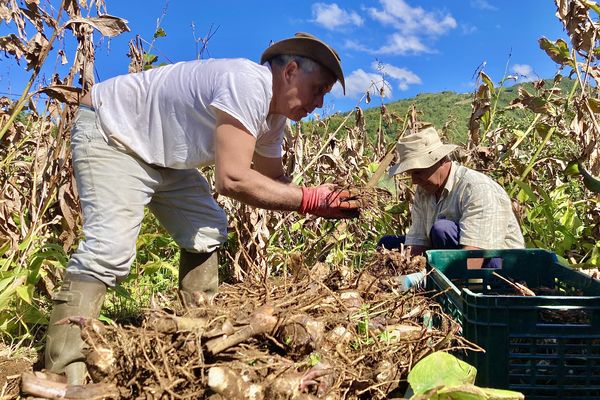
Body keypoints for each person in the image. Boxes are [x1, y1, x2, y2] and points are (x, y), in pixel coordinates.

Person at [45, 32, 360, 384]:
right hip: (113, 134)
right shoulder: (248, 82)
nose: (318, 103)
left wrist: (326, 199)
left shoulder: (273, 118)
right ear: (289, 71)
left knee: (207, 226)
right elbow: (233, 180)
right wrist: (312, 200)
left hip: (162, 157)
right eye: (317, 89)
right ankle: (61, 365)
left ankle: (193, 333)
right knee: (110, 247)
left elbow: (277, 183)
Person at [378, 126, 524, 265]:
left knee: (442, 230)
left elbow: (476, 254)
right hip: (454, 255)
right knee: (388, 244)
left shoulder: (476, 188)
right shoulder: (424, 192)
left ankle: (450, 283)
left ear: (441, 160)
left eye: (418, 172)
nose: (414, 181)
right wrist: (404, 265)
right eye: (411, 174)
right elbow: (417, 242)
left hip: (496, 264)